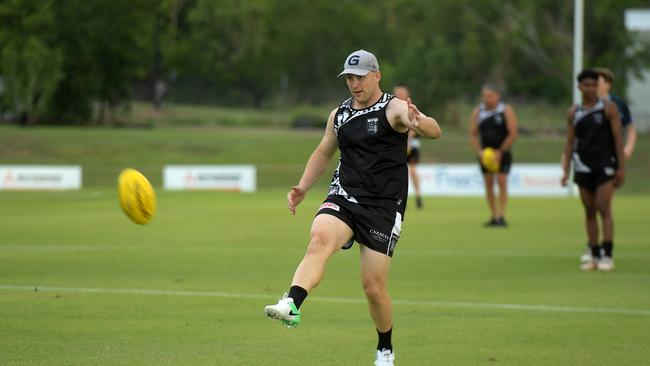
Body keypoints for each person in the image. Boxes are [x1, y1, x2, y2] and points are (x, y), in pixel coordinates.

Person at [264, 50, 441, 365]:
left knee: (373, 288)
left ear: (377, 75)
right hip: (344, 195)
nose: (354, 83)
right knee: (319, 238)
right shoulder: (340, 115)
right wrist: (303, 186)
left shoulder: (394, 108)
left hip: (383, 207)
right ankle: (292, 303)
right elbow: (323, 152)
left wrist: (420, 122)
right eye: (349, 77)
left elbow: (433, 129)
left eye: (360, 77)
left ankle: (384, 347)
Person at [561, 69, 625, 272]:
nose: (590, 88)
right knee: (589, 210)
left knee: (603, 206)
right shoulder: (574, 112)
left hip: (604, 164)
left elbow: (617, 139)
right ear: (579, 87)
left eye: (593, 85)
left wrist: (621, 167)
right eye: (586, 85)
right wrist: (565, 170)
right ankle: (594, 253)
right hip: (583, 165)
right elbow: (570, 142)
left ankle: (608, 253)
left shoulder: (608, 109)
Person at [468, 83, 518, 227]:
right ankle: (494, 216)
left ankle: (502, 215)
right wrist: (480, 152)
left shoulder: (506, 110)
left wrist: (500, 151)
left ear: (497, 96)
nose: (487, 99)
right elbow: (472, 135)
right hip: (486, 154)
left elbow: (513, 133)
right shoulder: (478, 111)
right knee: (488, 184)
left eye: (490, 96)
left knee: (502, 181)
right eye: (485, 96)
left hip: (503, 153)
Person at [393, 85, 423, 209]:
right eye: (397, 93)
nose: (399, 95)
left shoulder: (410, 108)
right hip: (396, 145)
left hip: (411, 145)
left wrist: (408, 142)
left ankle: (418, 196)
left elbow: (414, 127)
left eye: (401, 93)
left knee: (413, 170)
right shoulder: (392, 108)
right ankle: (395, 197)